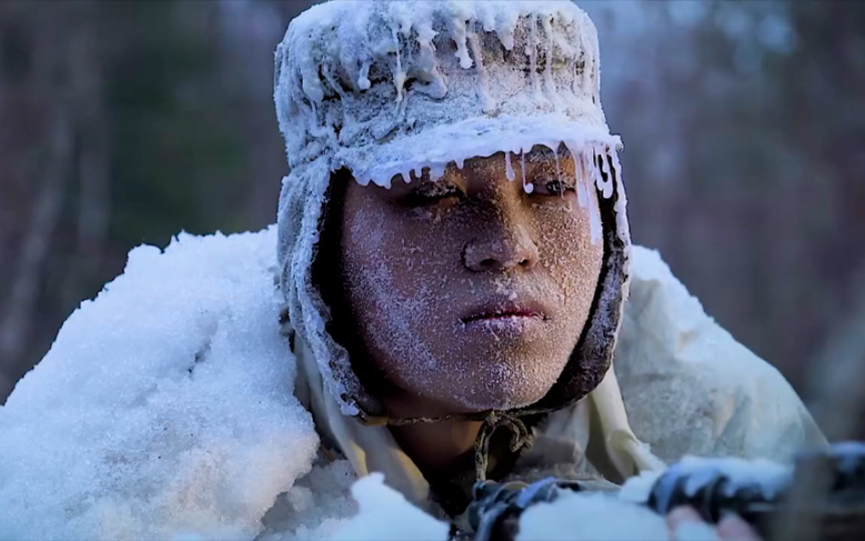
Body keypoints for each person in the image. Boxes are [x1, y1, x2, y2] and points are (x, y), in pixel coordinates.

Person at [273, 0, 825, 535]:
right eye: (434, 193)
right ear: (317, 237)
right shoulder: (213, 474)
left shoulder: (733, 433)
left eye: (554, 186)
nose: (509, 245)